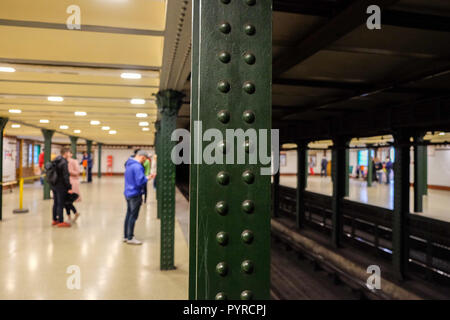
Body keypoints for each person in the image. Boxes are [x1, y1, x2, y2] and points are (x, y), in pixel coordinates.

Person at [123, 150, 151, 245]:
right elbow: (140, 181)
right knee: (133, 216)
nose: (144, 161)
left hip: (128, 193)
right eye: (144, 159)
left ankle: (126, 236)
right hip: (135, 194)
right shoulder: (138, 166)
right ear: (141, 157)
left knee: (128, 214)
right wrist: (148, 178)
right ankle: (130, 237)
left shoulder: (129, 164)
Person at [51, 148, 73, 228]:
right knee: (60, 203)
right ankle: (61, 221)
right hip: (61, 186)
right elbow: (65, 176)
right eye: (69, 152)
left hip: (54, 185)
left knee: (55, 203)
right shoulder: (64, 162)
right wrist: (69, 187)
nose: (70, 154)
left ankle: (54, 219)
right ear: (66, 153)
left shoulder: (55, 160)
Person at [66, 155, 81, 223]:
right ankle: (70, 215)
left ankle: (74, 214)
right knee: (66, 202)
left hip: (72, 184)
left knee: (68, 202)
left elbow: (77, 172)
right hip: (66, 184)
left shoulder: (74, 162)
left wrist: (69, 171)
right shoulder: (64, 162)